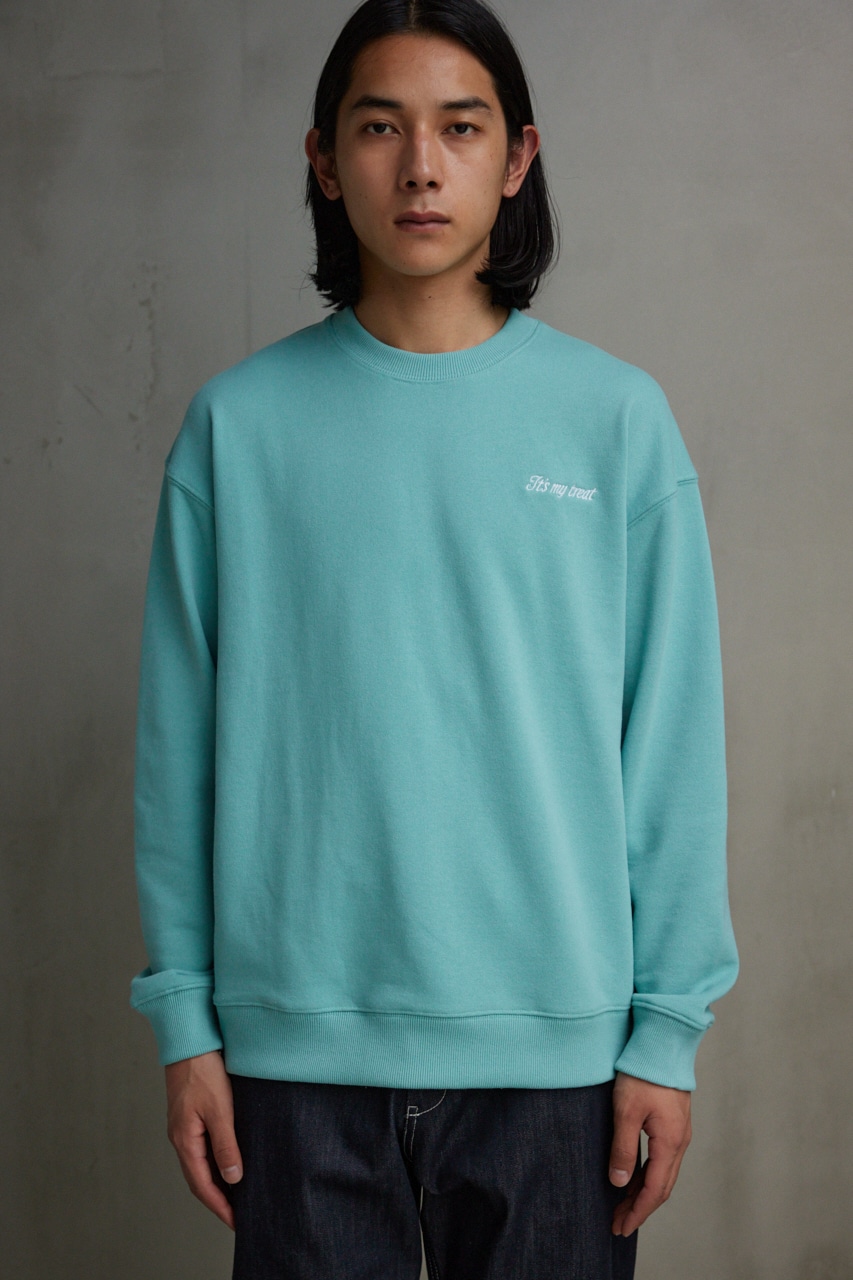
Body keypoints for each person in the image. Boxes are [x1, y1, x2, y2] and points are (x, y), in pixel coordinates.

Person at [129, 1, 739, 1276]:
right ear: (321, 158)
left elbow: (670, 745)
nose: (419, 166)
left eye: (460, 128)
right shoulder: (237, 430)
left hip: (561, 1064)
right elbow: (176, 752)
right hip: (291, 1060)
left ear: (516, 158)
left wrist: (664, 1033)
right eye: (379, 128)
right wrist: (186, 1021)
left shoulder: (616, 423)